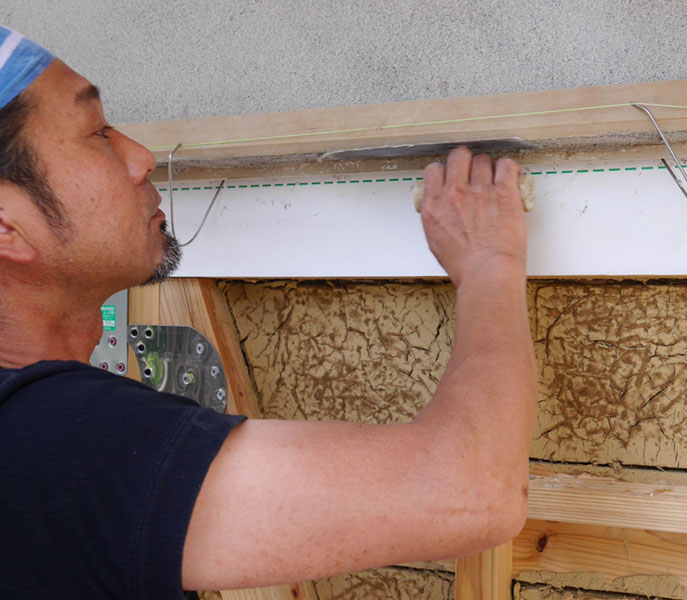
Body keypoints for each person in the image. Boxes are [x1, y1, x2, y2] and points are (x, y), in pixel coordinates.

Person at [0, 25, 538, 598]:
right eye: (96, 133)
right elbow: (470, 490)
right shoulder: (46, 445)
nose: (140, 156)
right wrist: (491, 263)